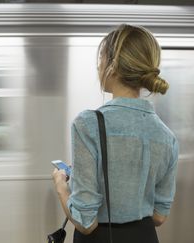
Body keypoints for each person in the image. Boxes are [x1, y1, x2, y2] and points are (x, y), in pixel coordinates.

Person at [52, 24, 179, 243]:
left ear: (112, 65)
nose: (98, 66)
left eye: (100, 59)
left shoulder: (87, 124)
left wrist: (61, 186)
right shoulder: (167, 137)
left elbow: (86, 223)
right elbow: (159, 216)